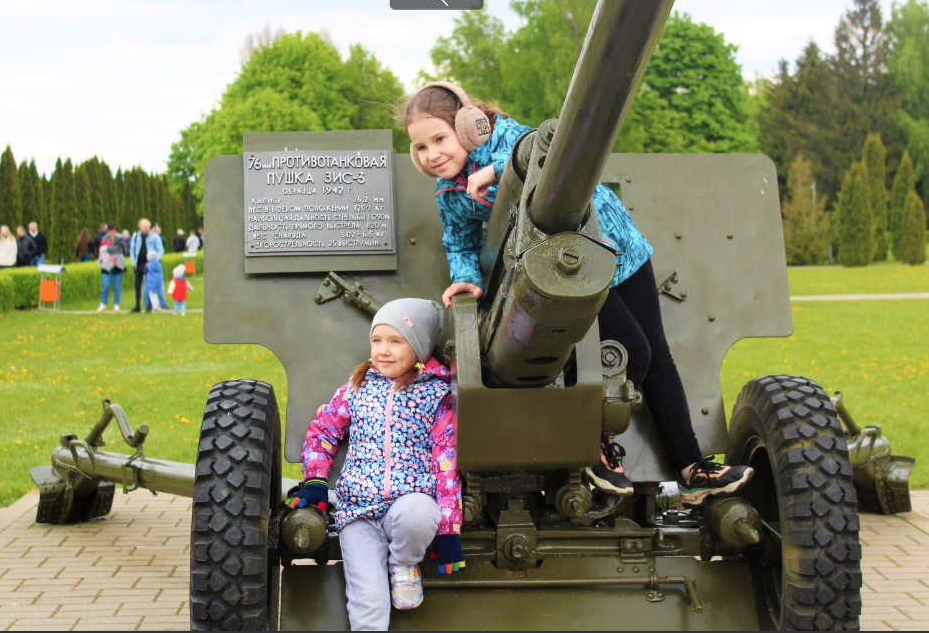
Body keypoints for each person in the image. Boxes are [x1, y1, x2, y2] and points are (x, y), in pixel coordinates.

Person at [403, 82, 753, 506]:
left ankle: (691, 467)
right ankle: (597, 446)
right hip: (568, 266)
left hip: (618, 244)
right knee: (629, 355)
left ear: (468, 126)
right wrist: (466, 277)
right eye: (420, 147)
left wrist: (494, 169)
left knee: (656, 355)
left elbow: (542, 147)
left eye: (439, 138)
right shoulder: (449, 195)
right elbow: (458, 241)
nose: (432, 154)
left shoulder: (504, 137)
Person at [288, 299, 462, 630]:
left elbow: (446, 464)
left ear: (419, 348)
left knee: (420, 513)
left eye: (396, 341)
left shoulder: (436, 396)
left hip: (406, 505)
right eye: (377, 340)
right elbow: (323, 433)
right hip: (359, 516)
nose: (383, 350)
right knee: (367, 600)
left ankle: (403, 564)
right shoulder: (357, 387)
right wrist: (315, 482)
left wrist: (448, 531)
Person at [129, 218, 164, 313]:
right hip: (138, 264)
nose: (146, 229)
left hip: (149, 265)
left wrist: (155, 260)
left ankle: (149, 306)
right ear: (139, 227)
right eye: (144, 227)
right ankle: (137, 306)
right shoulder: (135, 236)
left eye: (148, 227)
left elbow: (160, 250)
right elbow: (132, 250)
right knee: (137, 285)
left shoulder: (155, 237)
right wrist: (133, 262)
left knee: (148, 286)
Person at [96, 223, 126, 313]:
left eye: (114, 230)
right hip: (107, 264)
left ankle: (116, 304)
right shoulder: (104, 238)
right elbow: (102, 250)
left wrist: (108, 248)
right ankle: (103, 303)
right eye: (111, 230)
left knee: (117, 286)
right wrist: (112, 249)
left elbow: (121, 249)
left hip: (118, 264)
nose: (113, 232)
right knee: (105, 285)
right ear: (108, 231)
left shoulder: (120, 238)